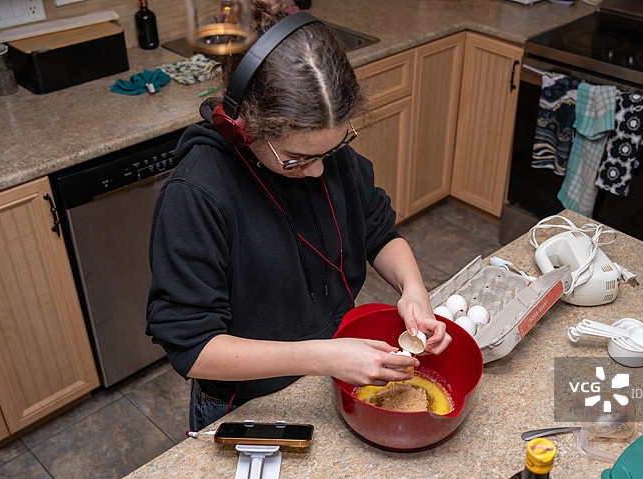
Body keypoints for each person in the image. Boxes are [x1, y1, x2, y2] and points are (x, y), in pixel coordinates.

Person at [146, 0, 451, 432]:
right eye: (296, 159)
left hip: (325, 375)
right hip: (245, 405)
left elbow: (379, 232)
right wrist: (323, 355)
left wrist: (413, 290)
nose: (320, 169)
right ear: (242, 127)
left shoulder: (324, 155)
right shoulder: (197, 195)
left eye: (333, 149)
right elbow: (193, 347)